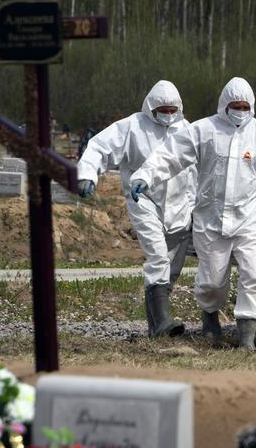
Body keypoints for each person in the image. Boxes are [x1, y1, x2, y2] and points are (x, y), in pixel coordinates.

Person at [130, 77, 256, 350]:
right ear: (225, 105)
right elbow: (170, 156)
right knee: (212, 280)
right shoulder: (204, 130)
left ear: (252, 107)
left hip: (248, 219)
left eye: (245, 106)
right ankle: (210, 318)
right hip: (210, 220)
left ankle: (247, 337)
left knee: (253, 275)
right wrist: (145, 176)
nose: (240, 110)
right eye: (235, 105)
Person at [77, 80, 195, 338]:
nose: (167, 114)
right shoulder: (132, 127)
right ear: (151, 107)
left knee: (171, 269)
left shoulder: (186, 130)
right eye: (162, 109)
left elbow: (195, 171)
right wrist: (88, 174)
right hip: (144, 201)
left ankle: (156, 327)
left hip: (179, 207)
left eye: (172, 109)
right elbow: (100, 147)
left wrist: (194, 205)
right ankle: (163, 322)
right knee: (157, 257)